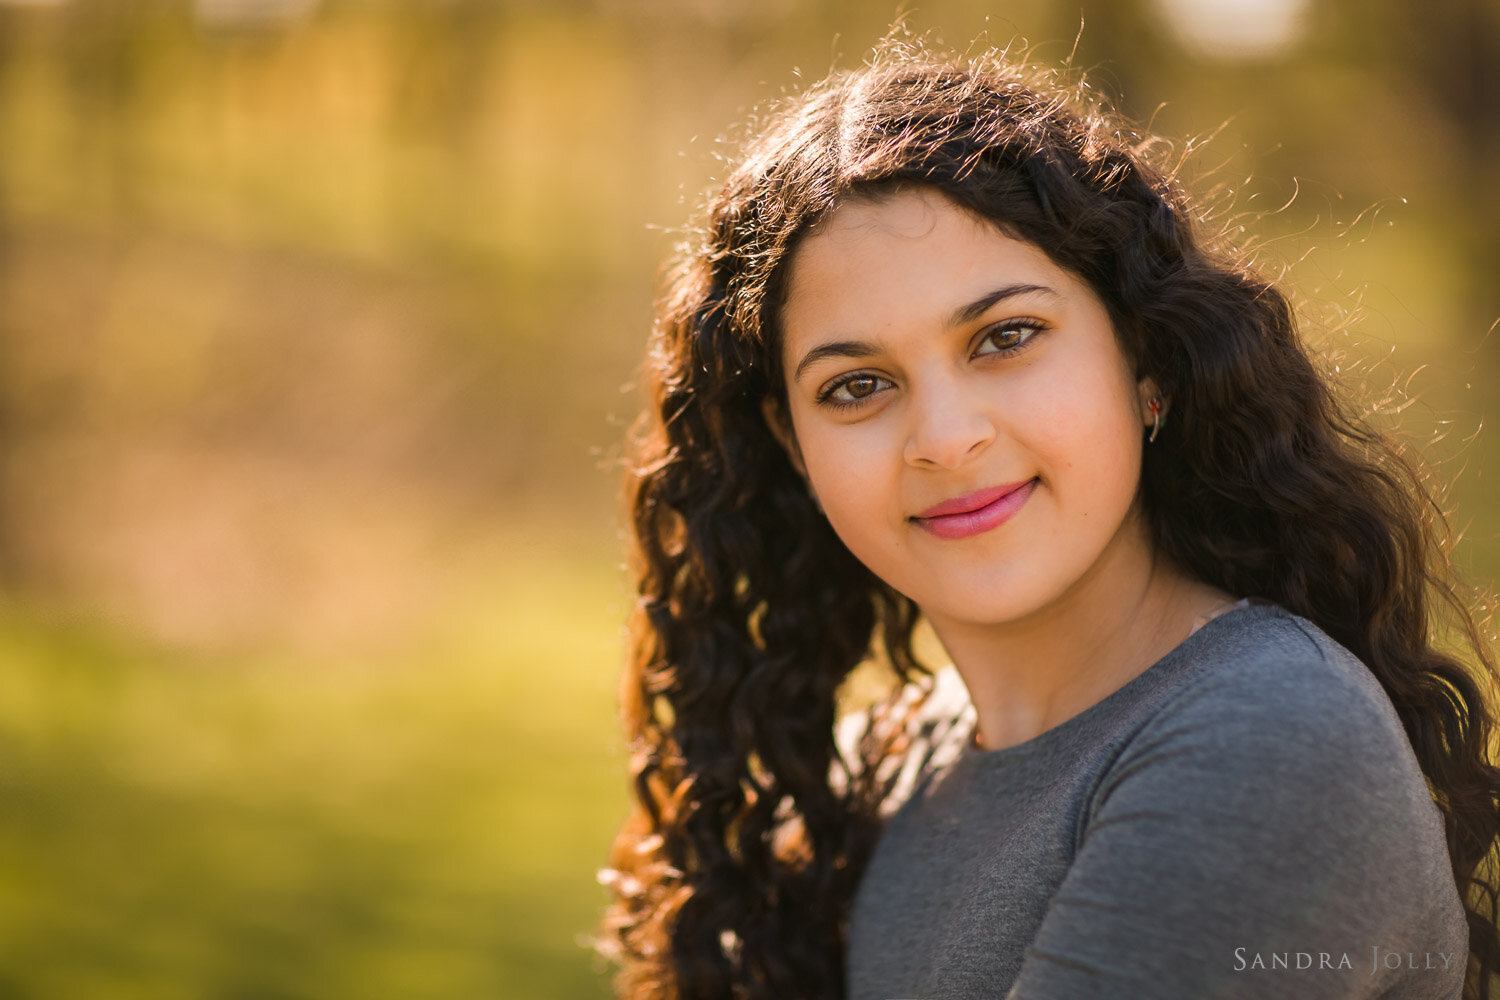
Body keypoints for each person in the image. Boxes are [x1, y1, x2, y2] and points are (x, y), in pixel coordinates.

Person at [597, 38, 1500, 1000]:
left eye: (1006, 337)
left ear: (1144, 361)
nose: (944, 439)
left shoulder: (1268, 737)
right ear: (793, 445)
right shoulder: (895, 766)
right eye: (857, 386)